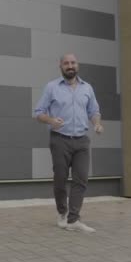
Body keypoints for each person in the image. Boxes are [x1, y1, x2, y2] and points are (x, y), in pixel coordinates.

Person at [34, 53, 103, 233]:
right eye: (66, 63)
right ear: (61, 66)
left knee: (81, 179)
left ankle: (73, 220)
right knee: (60, 180)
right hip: (60, 140)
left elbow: (94, 111)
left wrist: (96, 124)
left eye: (73, 63)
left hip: (81, 140)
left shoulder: (87, 88)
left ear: (77, 65)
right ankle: (62, 213)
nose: (70, 66)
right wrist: (50, 121)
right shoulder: (52, 87)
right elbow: (38, 112)